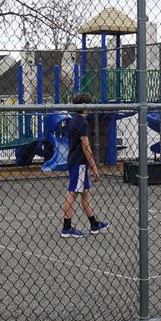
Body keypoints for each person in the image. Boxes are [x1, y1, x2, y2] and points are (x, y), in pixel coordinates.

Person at [61, 93, 109, 238]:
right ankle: (66, 228)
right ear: (85, 106)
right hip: (79, 162)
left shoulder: (74, 120)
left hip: (75, 161)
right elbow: (86, 148)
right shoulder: (82, 123)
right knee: (73, 192)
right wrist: (94, 168)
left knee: (86, 193)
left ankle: (94, 224)